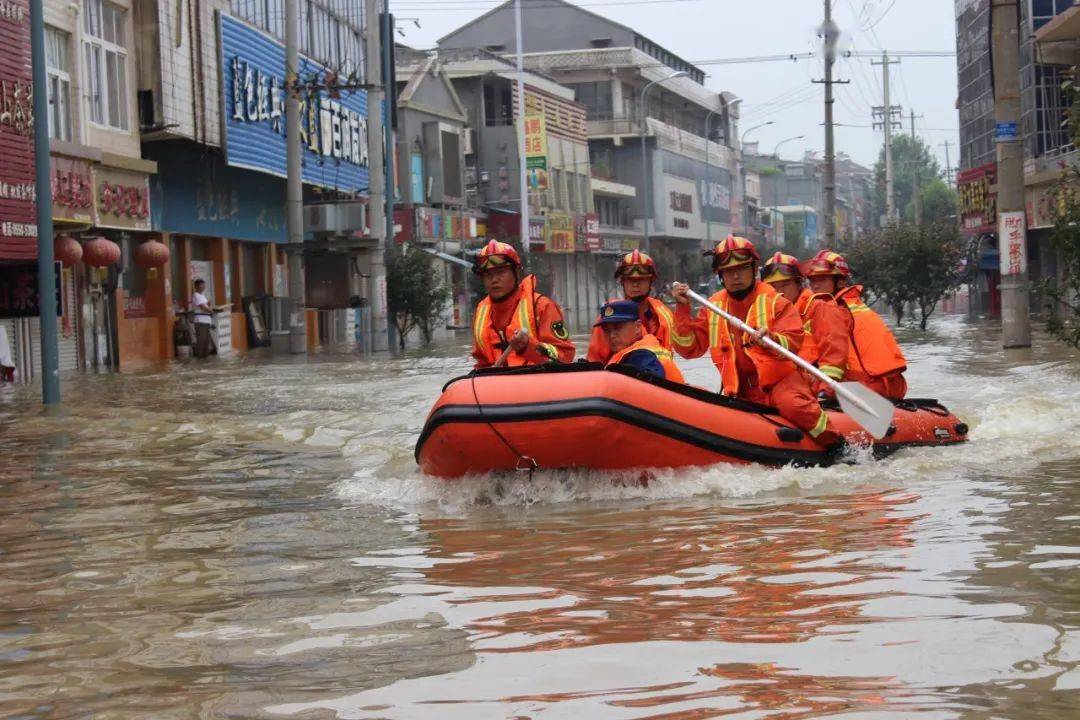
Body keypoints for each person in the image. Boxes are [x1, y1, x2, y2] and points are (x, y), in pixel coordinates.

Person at [671, 236, 840, 445]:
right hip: (738, 390)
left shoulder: (774, 300)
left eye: (741, 269)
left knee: (793, 406)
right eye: (728, 271)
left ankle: (837, 445)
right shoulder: (712, 306)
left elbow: (794, 340)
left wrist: (771, 338)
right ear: (721, 276)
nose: (735, 276)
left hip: (779, 384)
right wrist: (682, 309)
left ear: (753, 269)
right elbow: (689, 349)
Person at [803, 250, 908, 400]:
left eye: (822, 280)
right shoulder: (854, 304)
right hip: (892, 385)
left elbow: (817, 356)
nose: (816, 286)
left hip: (868, 386)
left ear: (840, 282)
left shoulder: (832, 309)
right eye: (813, 281)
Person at [471, 239, 576, 369]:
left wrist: (528, 346)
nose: (494, 280)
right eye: (488, 274)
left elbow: (565, 356)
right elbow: (481, 362)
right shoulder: (481, 313)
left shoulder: (542, 307)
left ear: (517, 273)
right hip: (496, 385)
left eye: (501, 272)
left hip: (537, 383)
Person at [761, 251, 851, 396]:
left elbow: (834, 357)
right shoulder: (763, 315)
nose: (779, 291)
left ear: (799, 284)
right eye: (772, 287)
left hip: (813, 390)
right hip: (781, 388)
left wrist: (825, 391)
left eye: (785, 284)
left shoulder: (819, 307)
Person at [586, 249, 692, 363]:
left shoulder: (663, 313)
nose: (635, 284)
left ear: (651, 281)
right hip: (623, 379)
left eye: (641, 279)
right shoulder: (609, 316)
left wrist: (682, 307)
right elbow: (594, 362)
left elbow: (687, 349)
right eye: (630, 280)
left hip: (660, 377)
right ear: (622, 282)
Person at [595, 299, 685, 383]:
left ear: (637, 327)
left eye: (618, 328)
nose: (612, 335)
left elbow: (654, 378)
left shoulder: (641, 355)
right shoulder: (640, 351)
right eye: (607, 330)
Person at [190, 278, 215, 359]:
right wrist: (211, 311)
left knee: (206, 341)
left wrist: (208, 304)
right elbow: (203, 307)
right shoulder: (195, 295)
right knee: (201, 340)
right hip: (200, 321)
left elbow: (205, 306)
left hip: (206, 321)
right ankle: (199, 358)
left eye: (204, 285)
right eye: (201, 285)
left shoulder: (202, 296)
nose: (203, 287)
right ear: (197, 286)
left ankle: (205, 358)